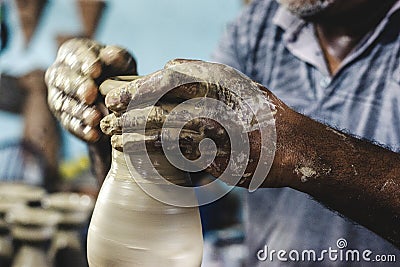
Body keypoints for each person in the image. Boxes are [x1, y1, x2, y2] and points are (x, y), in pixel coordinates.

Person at [45, 0, 400, 265]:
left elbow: (267, 136)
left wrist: (296, 149)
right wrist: (119, 122)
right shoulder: (260, 24)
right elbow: (194, 166)